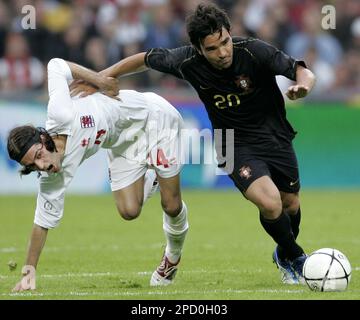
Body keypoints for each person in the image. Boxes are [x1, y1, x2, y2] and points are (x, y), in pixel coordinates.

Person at [71, 3, 316, 285]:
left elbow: (300, 70)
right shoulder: (187, 60)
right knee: (271, 203)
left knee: (291, 204)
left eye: (225, 42)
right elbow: (144, 59)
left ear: (229, 33)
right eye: (212, 48)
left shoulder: (254, 50)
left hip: (275, 137)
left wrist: (304, 86)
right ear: (199, 49)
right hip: (230, 143)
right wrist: (100, 79)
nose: (222, 52)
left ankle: (285, 254)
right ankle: (298, 260)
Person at [7, 58, 189, 291]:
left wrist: (98, 80)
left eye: (39, 155)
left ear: (44, 138)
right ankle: (152, 175)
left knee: (171, 206)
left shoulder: (60, 114)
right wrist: (28, 275)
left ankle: (171, 259)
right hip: (123, 144)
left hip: (154, 120)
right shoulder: (51, 176)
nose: (42, 166)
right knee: (129, 211)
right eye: (32, 166)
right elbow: (41, 224)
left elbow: (55, 65)